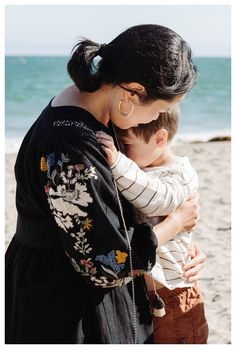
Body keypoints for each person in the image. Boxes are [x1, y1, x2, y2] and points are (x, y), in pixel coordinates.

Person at [5, 24, 205, 344]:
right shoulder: (69, 143)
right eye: (156, 111)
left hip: (75, 286)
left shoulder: (95, 107)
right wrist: (173, 225)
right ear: (133, 92)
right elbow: (102, 264)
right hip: (63, 301)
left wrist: (178, 247)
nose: (149, 122)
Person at [96, 105, 209, 343]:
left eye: (127, 145)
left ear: (159, 139)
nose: (123, 153)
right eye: (120, 147)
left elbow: (154, 199)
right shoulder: (143, 169)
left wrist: (116, 162)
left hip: (174, 296)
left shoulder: (178, 174)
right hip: (147, 296)